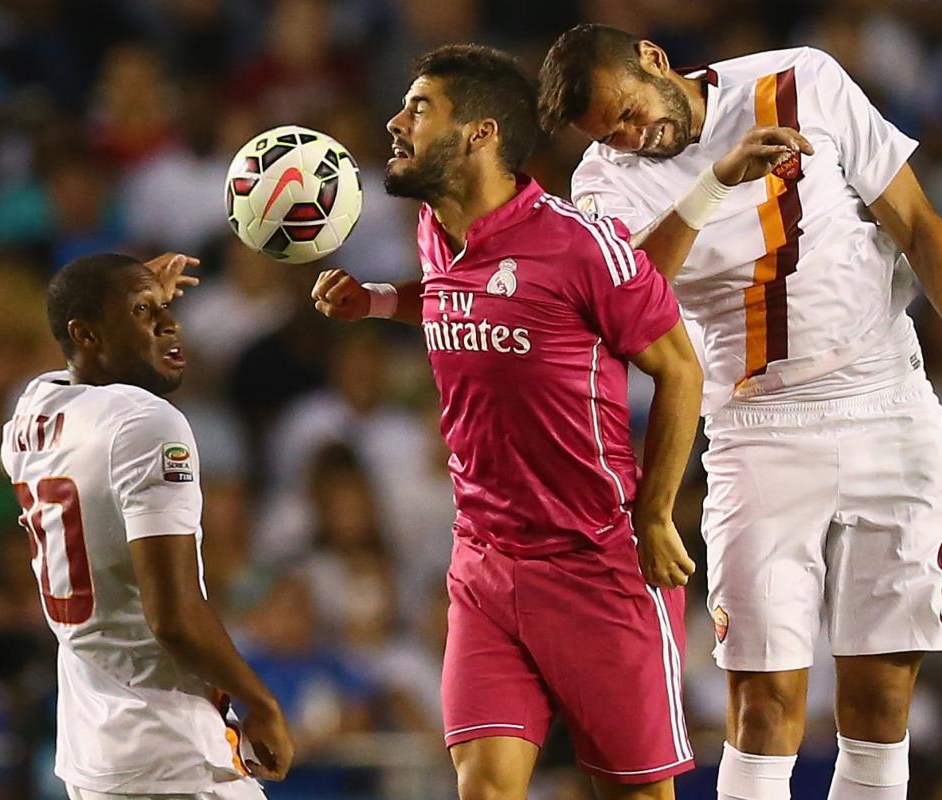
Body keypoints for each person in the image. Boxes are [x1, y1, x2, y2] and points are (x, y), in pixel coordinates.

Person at [537, 23, 942, 800]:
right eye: (612, 131)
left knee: (881, 701)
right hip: (757, 428)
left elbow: (916, 223)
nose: (634, 137)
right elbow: (627, 303)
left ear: (652, 59)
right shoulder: (602, 180)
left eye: (631, 113)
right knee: (764, 703)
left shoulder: (802, 78)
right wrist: (715, 185)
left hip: (887, 401)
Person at [310, 44, 801, 800]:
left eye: (418, 108)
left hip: (596, 565)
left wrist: (656, 516)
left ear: (479, 133)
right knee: (484, 789)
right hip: (482, 562)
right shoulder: (433, 227)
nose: (393, 122)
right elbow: (456, 296)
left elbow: (677, 369)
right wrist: (375, 301)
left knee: (633, 793)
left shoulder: (578, 245)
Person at [0, 252, 294, 800]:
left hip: (94, 752)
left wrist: (122, 304)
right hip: (170, 750)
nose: (170, 323)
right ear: (86, 334)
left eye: (163, 308)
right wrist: (261, 700)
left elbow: (70, 359)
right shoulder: (145, 420)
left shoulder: (28, 416)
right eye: (144, 312)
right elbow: (173, 614)